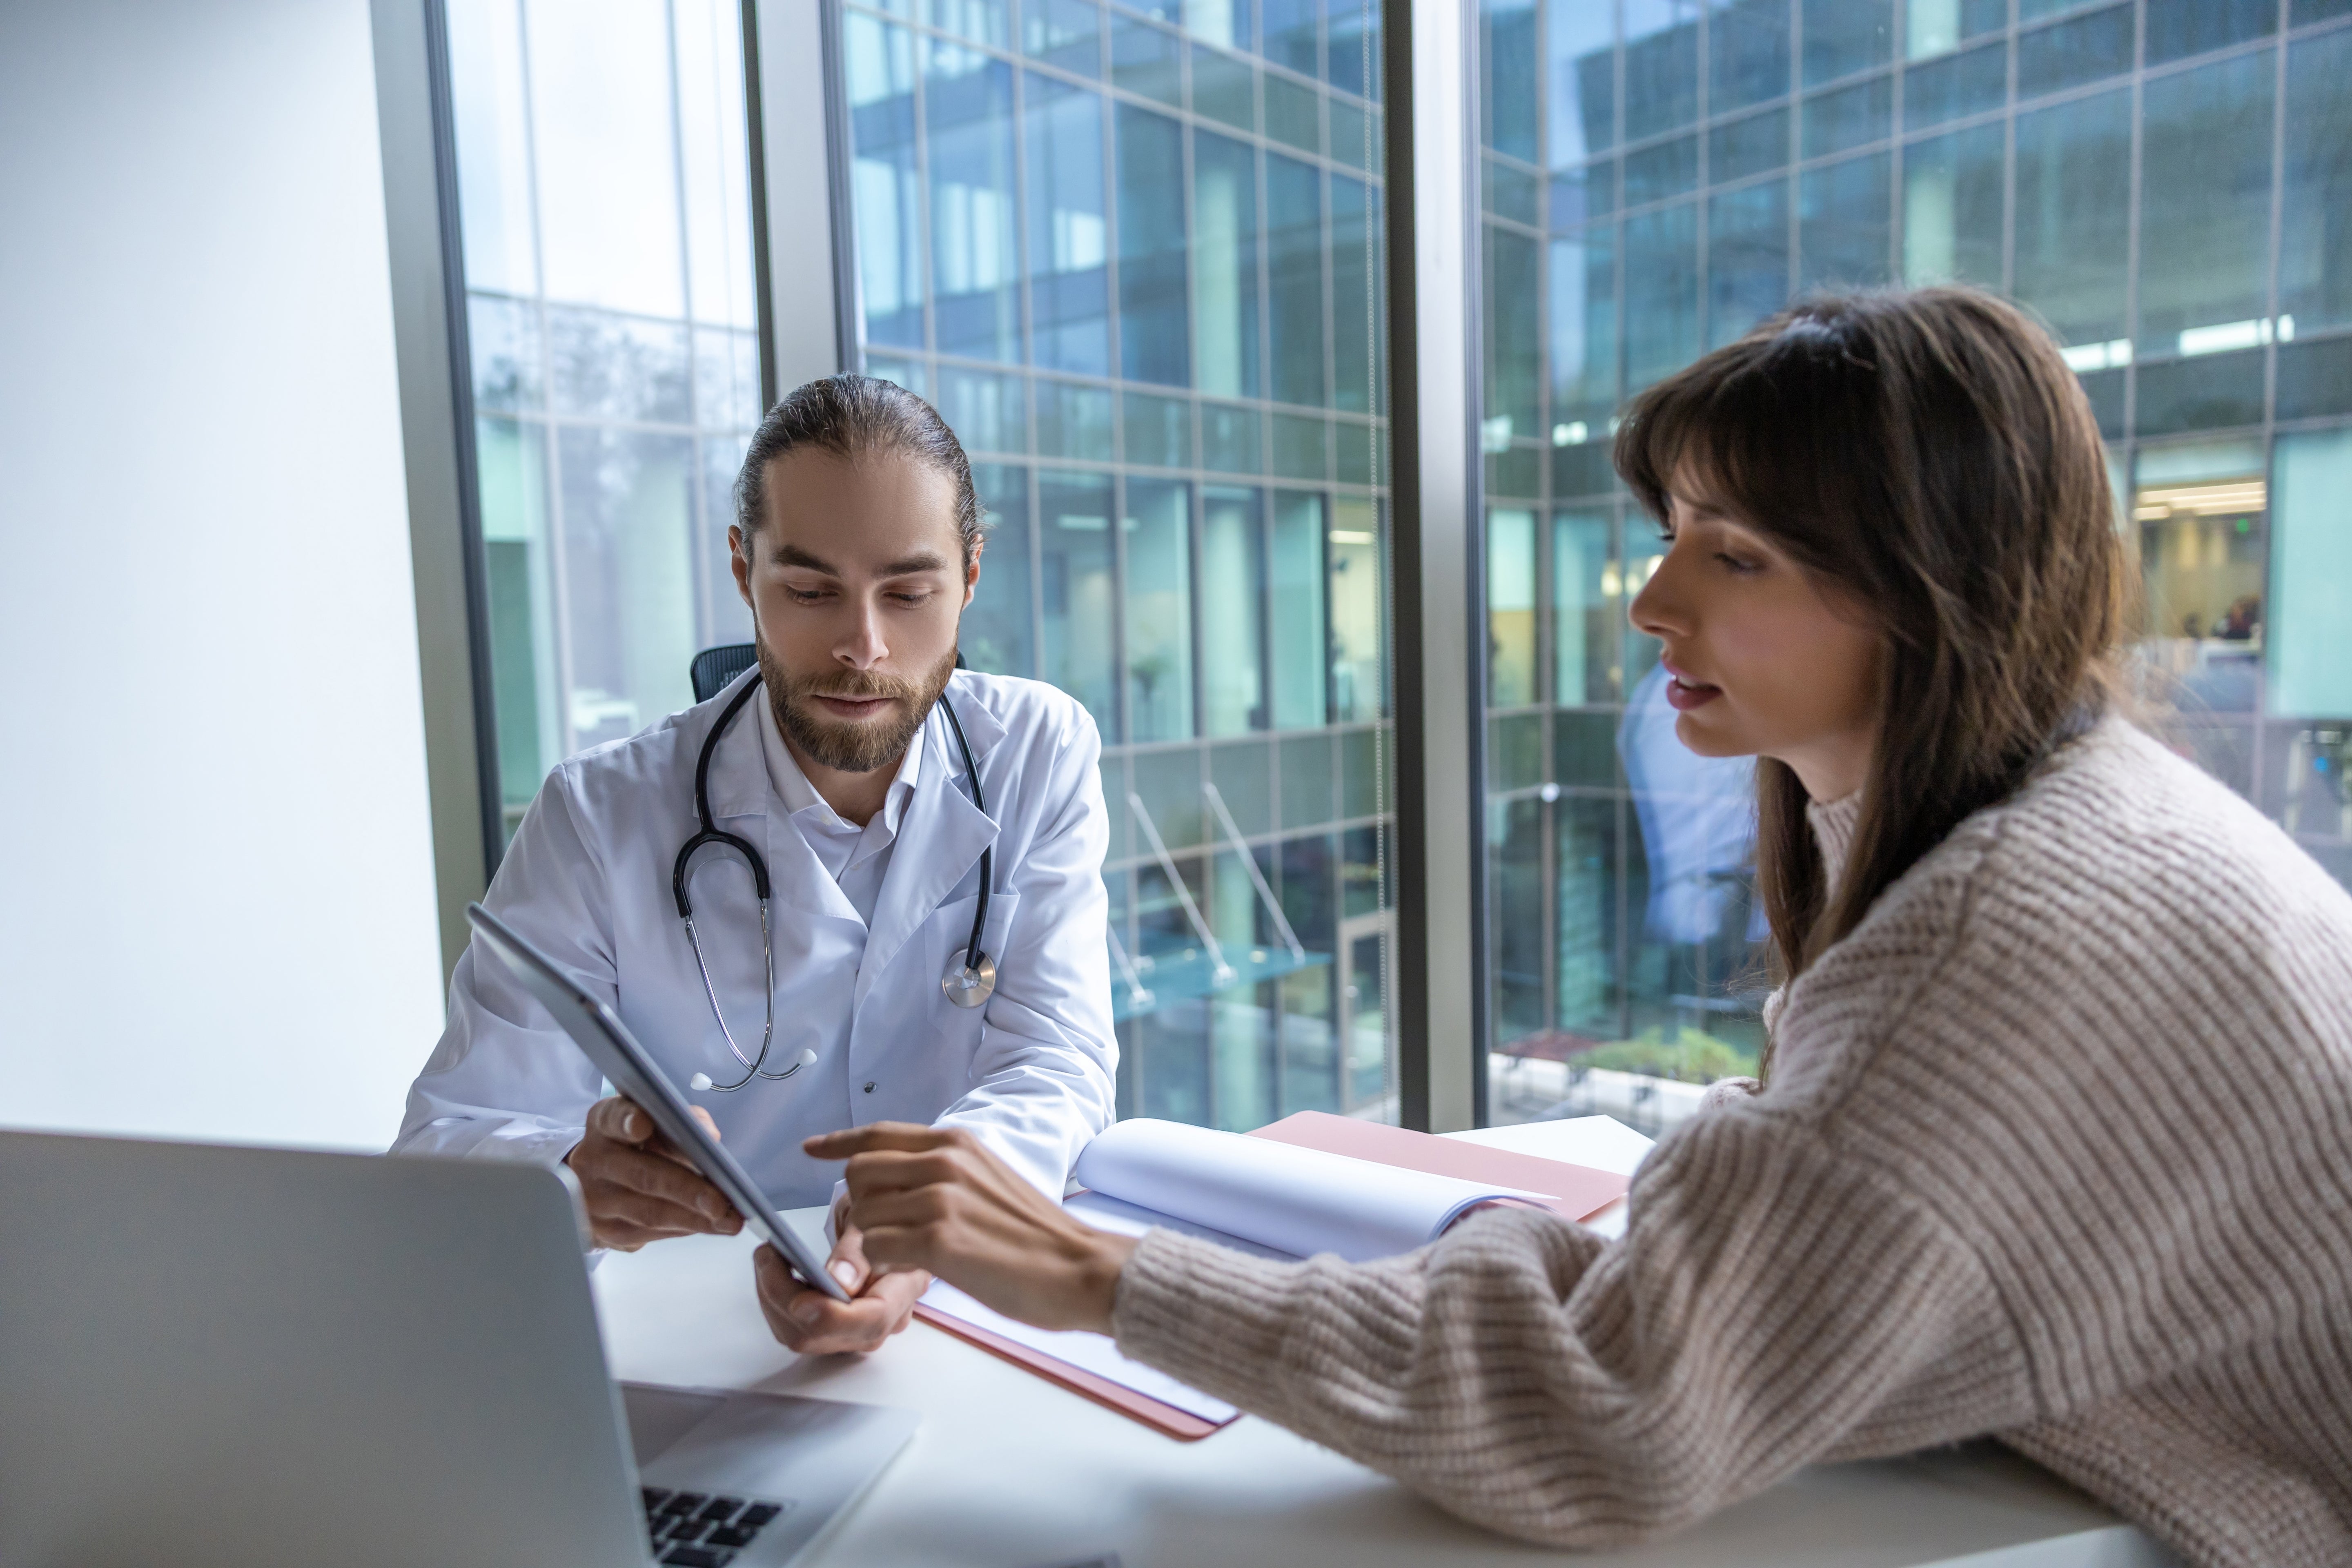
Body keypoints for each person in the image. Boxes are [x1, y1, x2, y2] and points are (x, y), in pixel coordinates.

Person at [802, 290, 2352, 1566]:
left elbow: (1611, 1424)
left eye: (1734, 554)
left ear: (1929, 591)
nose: (1651, 600)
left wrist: (1101, 1276)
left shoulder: (1999, 927)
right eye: (1677, 531)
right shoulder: (2041, 802)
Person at [393, 375, 1117, 1356]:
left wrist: (929, 1217)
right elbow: (446, 1141)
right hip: (682, 1346)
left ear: (971, 575)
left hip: (965, 1317)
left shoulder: (1037, 751)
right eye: (811, 591)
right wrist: (568, 1176)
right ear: (744, 570)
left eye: (908, 593)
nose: (863, 647)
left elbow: (1057, 1059)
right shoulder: (597, 816)